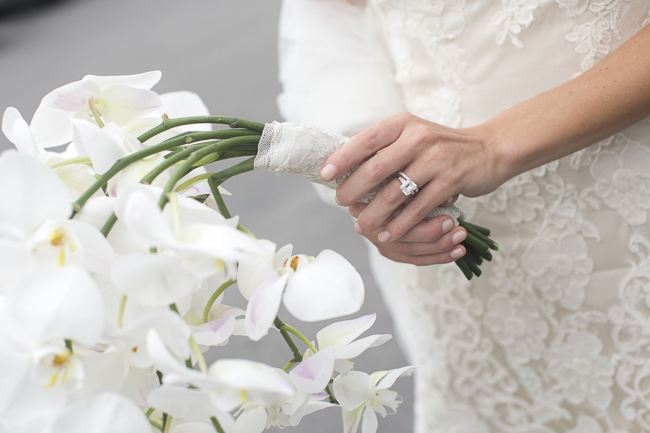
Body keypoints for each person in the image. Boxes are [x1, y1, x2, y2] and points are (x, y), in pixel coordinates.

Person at [278, 1, 650, 432]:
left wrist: (493, 144)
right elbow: (331, 11)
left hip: (622, 207)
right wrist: (376, 172)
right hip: (447, 255)